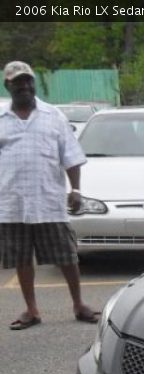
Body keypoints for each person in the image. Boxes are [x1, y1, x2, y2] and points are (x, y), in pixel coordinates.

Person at [0, 60, 99, 330]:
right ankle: (32, 310)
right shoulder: (1, 118)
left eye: (28, 81)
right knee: (21, 259)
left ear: (33, 84)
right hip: (12, 203)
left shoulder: (53, 115)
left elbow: (71, 157)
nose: (24, 86)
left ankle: (79, 304)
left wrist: (75, 189)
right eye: (17, 82)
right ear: (8, 85)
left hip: (49, 201)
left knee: (67, 255)